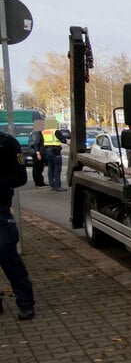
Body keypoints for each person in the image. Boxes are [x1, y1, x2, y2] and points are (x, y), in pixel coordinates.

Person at [0, 129, 35, 320]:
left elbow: (20, 177)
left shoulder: (6, 143)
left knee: (7, 256)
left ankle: (25, 302)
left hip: (0, 209)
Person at [41, 127, 66, 191]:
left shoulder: (44, 131)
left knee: (50, 168)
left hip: (47, 150)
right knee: (57, 168)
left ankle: (52, 185)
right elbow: (63, 140)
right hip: (55, 150)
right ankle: (58, 186)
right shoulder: (55, 131)